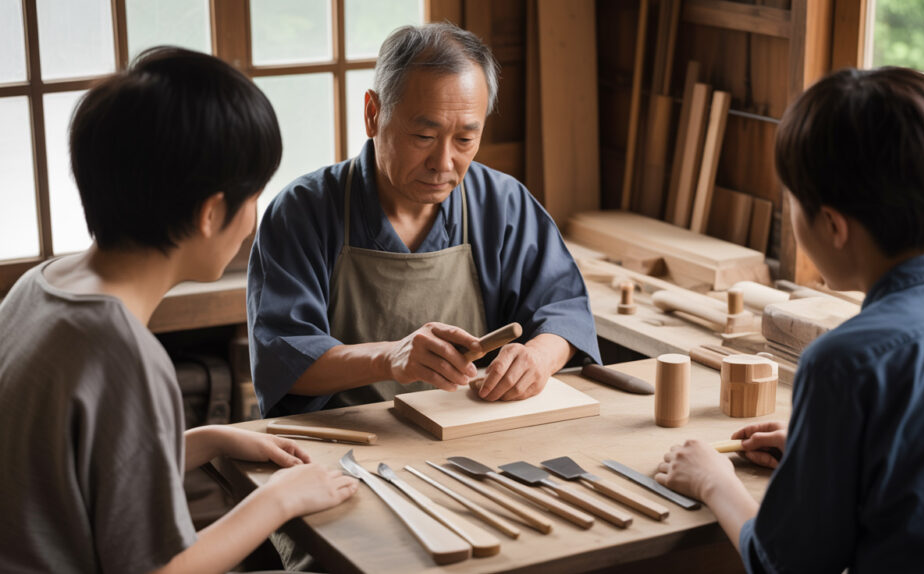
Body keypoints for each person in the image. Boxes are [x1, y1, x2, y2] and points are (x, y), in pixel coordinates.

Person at [0, 47, 358, 573]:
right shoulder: (123, 354)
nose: (252, 220)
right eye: (253, 197)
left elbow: (71, 469)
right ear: (212, 213)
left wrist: (208, 440)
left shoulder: (41, 286)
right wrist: (281, 497)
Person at [656, 67, 924, 572]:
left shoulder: (847, 361)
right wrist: (830, 450)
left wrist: (713, 480)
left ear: (833, 225)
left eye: (792, 201)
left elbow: (785, 565)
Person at [248, 22, 599, 417]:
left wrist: (538, 357)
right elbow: (284, 358)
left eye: (465, 139)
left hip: (468, 434)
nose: (444, 163)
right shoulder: (302, 212)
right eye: (424, 137)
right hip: (342, 443)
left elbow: (565, 309)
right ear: (373, 114)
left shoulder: (503, 204)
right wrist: (388, 358)